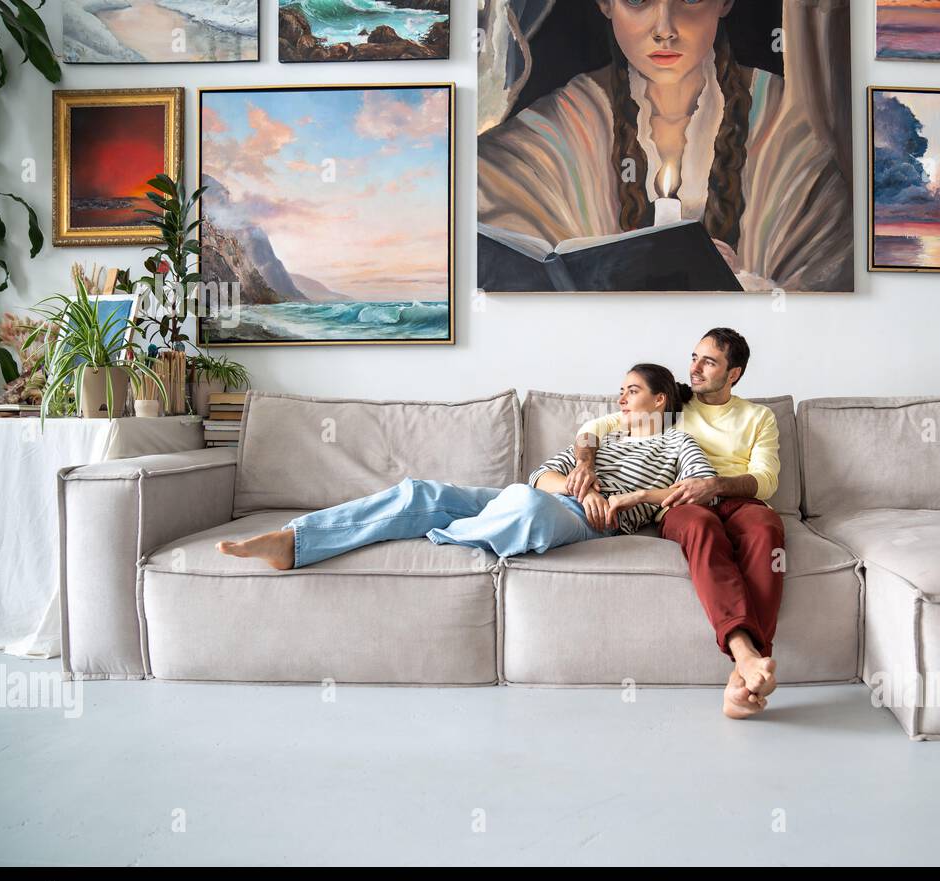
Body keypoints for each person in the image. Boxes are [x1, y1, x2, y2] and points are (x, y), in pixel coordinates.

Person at [477, 0, 853, 291]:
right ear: (605, 4)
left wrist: (745, 283)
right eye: (638, 0)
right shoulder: (551, 132)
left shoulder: (795, 119)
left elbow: (827, 281)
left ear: (724, 2)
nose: (664, 30)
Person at [216, 364, 717, 572]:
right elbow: (541, 475)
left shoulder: (677, 442)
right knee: (419, 493)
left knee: (527, 507)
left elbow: (702, 488)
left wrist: (626, 501)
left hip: (589, 524)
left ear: (661, 398)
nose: (620, 397)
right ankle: (296, 542)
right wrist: (578, 484)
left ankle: (440, 533)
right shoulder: (599, 436)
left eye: (631, 390)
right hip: (553, 499)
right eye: (622, 390)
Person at [569, 328, 783, 720]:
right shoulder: (675, 401)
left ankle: (744, 673)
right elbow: (594, 429)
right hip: (677, 501)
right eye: (694, 357)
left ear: (733, 373)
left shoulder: (758, 417)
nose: (695, 368)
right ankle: (749, 660)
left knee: (767, 530)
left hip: (738, 498)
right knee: (702, 530)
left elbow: (766, 479)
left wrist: (715, 483)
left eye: (709, 362)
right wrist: (584, 462)